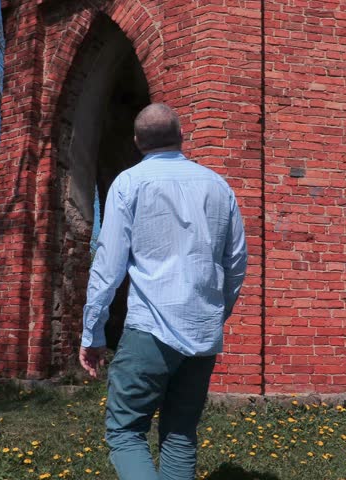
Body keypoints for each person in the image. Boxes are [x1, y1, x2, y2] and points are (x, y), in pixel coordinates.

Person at [79, 103, 248, 480]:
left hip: (150, 330)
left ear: (137, 141)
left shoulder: (130, 183)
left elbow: (108, 266)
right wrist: (216, 313)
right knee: (180, 435)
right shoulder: (218, 186)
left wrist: (93, 333)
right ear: (181, 136)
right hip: (202, 334)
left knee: (125, 432)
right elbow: (236, 262)